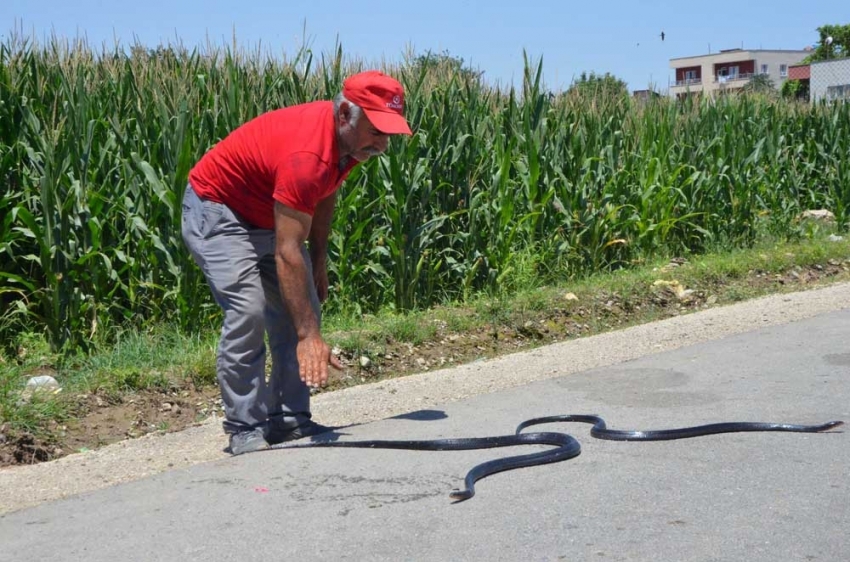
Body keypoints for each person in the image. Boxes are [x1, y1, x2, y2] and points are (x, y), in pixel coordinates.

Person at [181, 70, 413, 454]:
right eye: (376, 130)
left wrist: (319, 258)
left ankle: (288, 420)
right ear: (344, 114)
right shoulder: (307, 153)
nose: (383, 143)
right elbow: (288, 251)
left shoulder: (351, 143)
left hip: (270, 212)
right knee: (249, 310)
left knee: (303, 304)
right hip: (220, 211)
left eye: (389, 132)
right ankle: (245, 428)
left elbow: (324, 193)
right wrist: (309, 337)